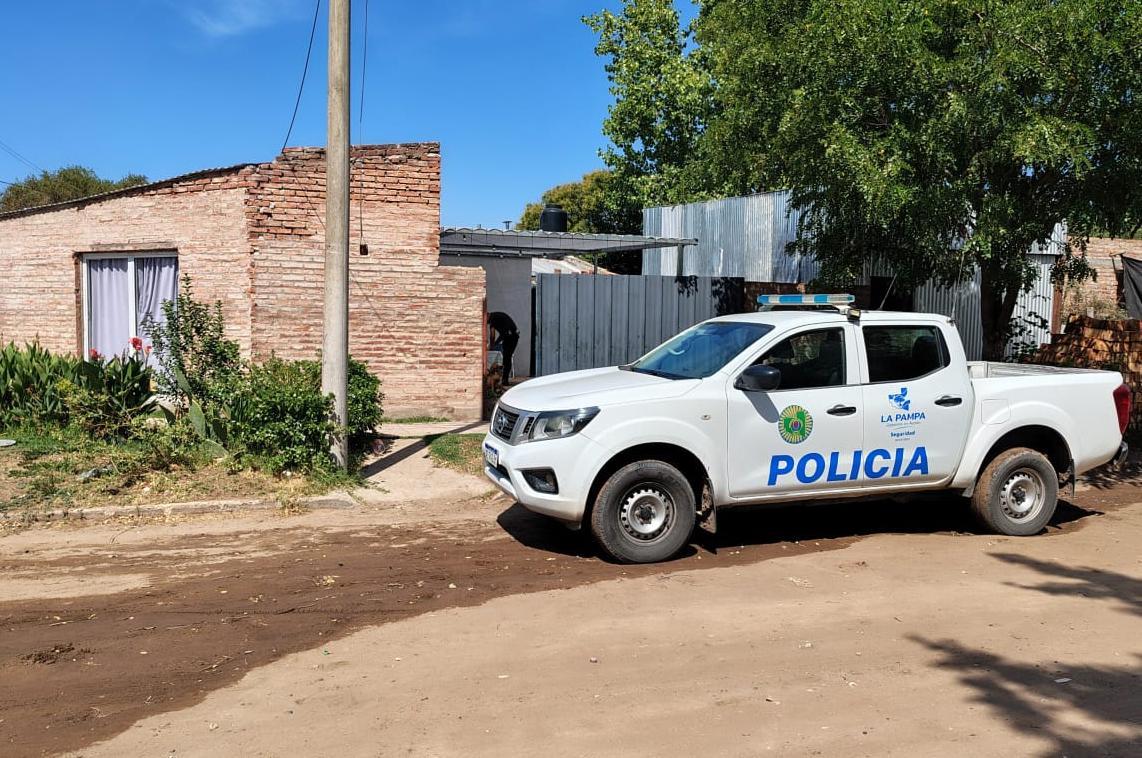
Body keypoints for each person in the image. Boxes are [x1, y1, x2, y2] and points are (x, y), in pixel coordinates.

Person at [487, 311, 520, 385]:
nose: (486, 323)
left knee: (507, 357)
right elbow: (493, 335)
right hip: (508, 337)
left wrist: (493, 345)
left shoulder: (494, 318)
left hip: (512, 337)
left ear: (487, 316)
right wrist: (493, 345)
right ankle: (504, 379)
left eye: (486, 321)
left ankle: (505, 380)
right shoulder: (494, 318)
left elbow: (497, 335)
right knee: (505, 358)